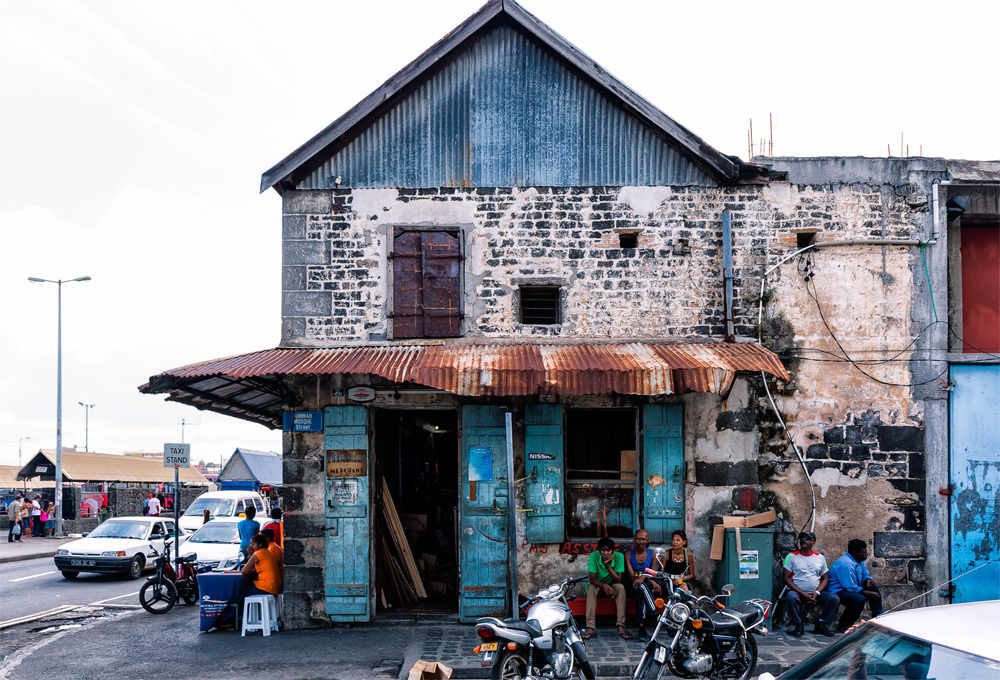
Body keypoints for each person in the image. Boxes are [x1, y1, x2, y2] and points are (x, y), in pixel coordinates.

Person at [782, 531, 838, 637]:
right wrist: (803, 593)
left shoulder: (819, 557)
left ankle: (821, 623)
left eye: (807, 538)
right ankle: (798, 624)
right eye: (802, 538)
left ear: (813, 542)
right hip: (798, 592)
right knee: (790, 597)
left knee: (834, 598)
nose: (803, 540)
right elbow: (785, 578)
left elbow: (825, 578)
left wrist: (816, 592)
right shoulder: (791, 556)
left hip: (815, 593)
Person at [827, 539, 884, 632]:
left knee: (873, 588)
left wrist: (868, 580)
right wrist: (867, 593)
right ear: (855, 553)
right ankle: (844, 624)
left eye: (866, 552)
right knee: (858, 599)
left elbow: (865, 574)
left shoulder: (859, 561)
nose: (866, 554)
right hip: (838, 590)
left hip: (850, 587)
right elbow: (850, 587)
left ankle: (877, 615)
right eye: (863, 552)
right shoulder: (846, 564)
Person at [583, 537, 631, 640]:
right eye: (603, 550)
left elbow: (618, 579)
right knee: (591, 588)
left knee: (621, 588)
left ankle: (621, 626)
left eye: (608, 550)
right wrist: (604, 585)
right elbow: (591, 579)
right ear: (599, 550)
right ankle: (590, 627)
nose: (605, 553)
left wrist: (608, 565)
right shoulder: (594, 556)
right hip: (598, 586)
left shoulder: (619, 556)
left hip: (613, 586)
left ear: (612, 551)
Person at [624, 528, 663, 641]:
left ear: (647, 540)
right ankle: (654, 611)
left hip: (644, 585)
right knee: (641, 586)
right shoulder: (628, 554)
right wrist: (647, 578)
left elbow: (653, 572)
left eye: (643, 539)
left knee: (641, 588)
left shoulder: (652, 553)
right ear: (634, 540)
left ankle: (641, 627)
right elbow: (632, 576)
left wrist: (644, 578)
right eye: (638, 539)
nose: (641, 541)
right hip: (632, 585)